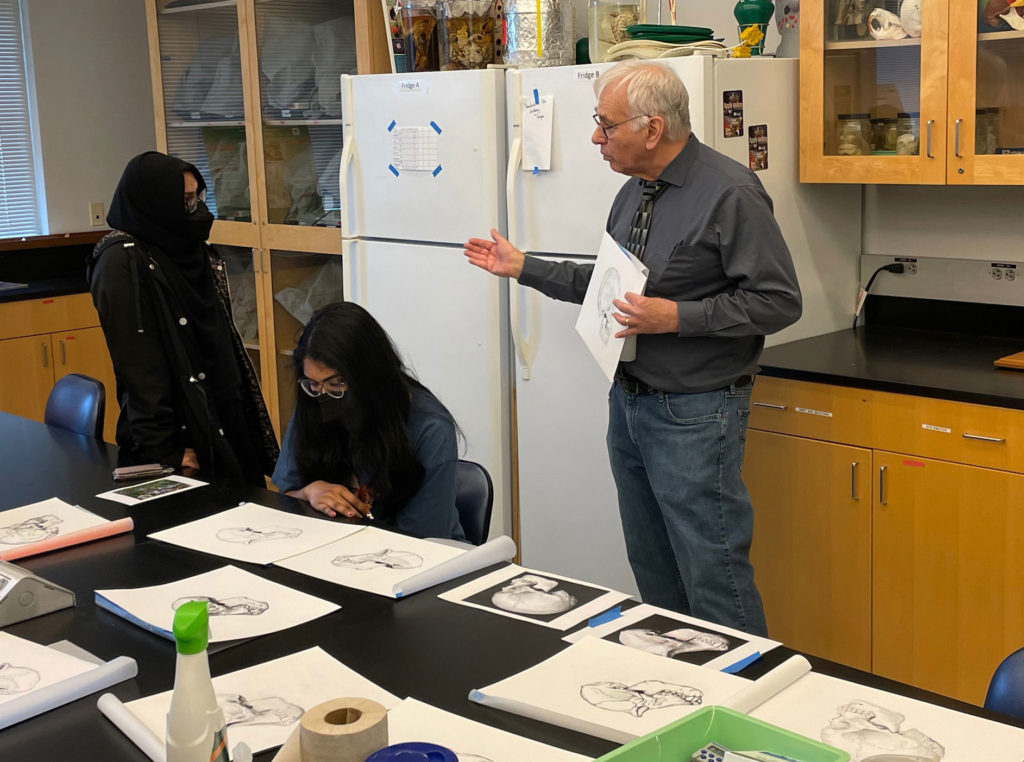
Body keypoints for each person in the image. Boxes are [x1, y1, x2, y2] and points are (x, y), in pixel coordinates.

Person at [464, 60, 801, 635]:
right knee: (653, 566)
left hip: (696, 411)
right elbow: (611, 288)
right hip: (630, 400)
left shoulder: (731, 194)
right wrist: (525, 267)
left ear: (652, 129)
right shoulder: (633, 193)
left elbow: (779, 302)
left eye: (606, 125)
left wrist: (677, 317)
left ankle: (748, 703)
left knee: (711, 571)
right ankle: (683, 685)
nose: (596, 137)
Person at [88, 151, 278, 487]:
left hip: (224, 411)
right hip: (178, 434)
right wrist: (166, 451)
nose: (196, 211)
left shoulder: (193, 251)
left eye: (196, 198)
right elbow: (139, 367)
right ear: (156, 203)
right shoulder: (122, 260)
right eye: (185, 201)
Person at [271, 302, 466, 541]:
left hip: (412, 557)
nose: (324, 396)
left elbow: (422, 543)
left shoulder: (429, 428)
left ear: (370, 376)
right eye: (313, 384)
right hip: (334, 549)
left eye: (336, 383)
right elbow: (285, 493)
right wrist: (309, 492)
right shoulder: (313, 398)